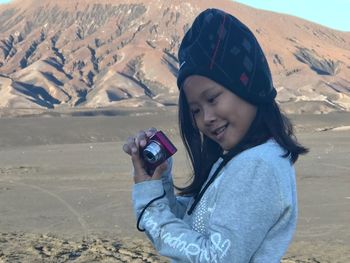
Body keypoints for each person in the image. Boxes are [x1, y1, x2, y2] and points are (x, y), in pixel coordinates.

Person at [123, 8, 308, 263]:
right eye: (195, 110)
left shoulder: (258, 165)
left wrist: (151, 208)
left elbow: (216, 257)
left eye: (212, 98)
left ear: (249, 87)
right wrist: (158, 180)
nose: (206, 118)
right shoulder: (236, 160)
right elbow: (191, 226)